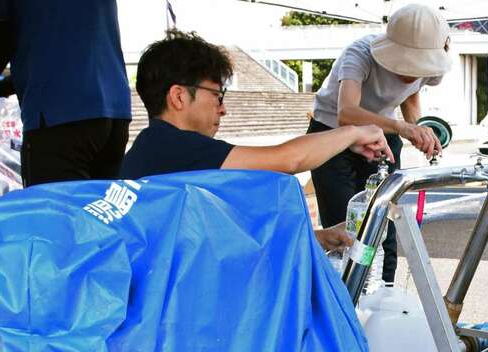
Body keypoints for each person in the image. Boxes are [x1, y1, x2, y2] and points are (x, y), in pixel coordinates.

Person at [120, 31, 393, 253]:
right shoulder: (173, 147)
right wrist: (354, 133)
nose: (223, 108)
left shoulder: (156, 149)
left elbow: (228, 235)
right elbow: (288, 159)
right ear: (179, 97)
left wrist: (320, 238)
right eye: (217, 95)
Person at [307, 3, 453, 284]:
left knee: (385, 222)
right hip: (332, 133)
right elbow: (346, 111)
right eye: (405, 64)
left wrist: (419, 128)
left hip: (382, 133)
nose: (411, 73)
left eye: (418, 66)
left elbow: (410, 95)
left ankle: (385, 292)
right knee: (346, 224)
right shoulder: (359, 54)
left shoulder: (434, 65)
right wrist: (402, 127)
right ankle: (346, 304)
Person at [0, 0, 132, 187]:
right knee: (101, 211)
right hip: (115, 113)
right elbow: (70, 43)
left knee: (55, 213)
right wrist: (3, 87)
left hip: (58, 118)